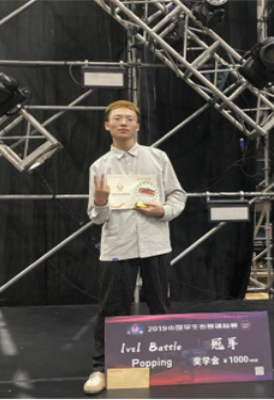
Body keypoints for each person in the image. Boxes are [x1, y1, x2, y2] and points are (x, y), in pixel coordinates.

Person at [83, 100, 187, 394]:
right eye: (117, 118)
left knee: (160, 305)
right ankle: (101, 368)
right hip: (118, 245)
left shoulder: (158, 158)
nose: (123, 123)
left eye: (129, 118)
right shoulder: (100, 166)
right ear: (107, 125)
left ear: (137, 125)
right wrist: (100, 202)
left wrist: (163, 210)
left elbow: (178, 194)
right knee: (111, 309)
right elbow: (97, 217)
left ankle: (164, 364)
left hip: (155, 243)